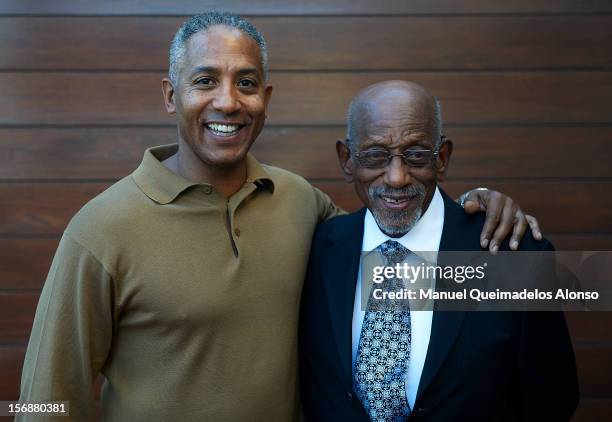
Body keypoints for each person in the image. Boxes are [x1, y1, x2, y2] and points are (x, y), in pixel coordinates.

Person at [19, 13, 541, 421]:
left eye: (246, 83)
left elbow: (400, 233)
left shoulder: (299, 203)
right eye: (205, 81)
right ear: (170, 94)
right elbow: (46, 398)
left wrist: (475, 207)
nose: (228, 101)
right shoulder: (100, 229)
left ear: (265, 99)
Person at [299, 80, 579, 421]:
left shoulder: (514, 259)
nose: (397, 177)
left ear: (442, 159)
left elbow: (552, 400)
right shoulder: (314, 252)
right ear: (347, 160)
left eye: (416, 154)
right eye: (375, 155)